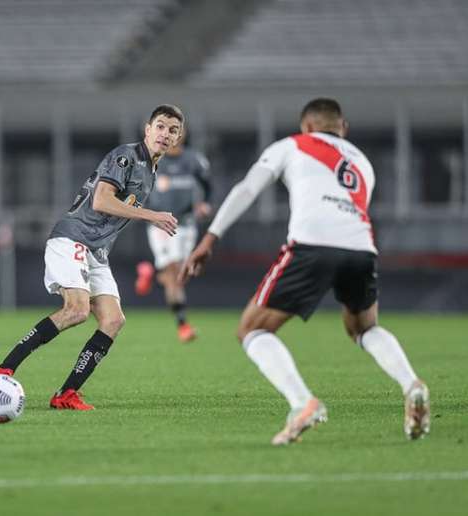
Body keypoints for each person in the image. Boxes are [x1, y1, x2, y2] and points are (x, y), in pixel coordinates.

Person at [180, 98, 430, 445]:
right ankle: (411, 384)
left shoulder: (292, 145)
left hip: (312, 246)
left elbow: (248, 188)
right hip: (362, 248)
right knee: (364, 327)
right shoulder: (362, 162)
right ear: (343, 128)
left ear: (307, 127)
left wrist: (210, 238)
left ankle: (302, 403)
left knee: (251, 329)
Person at [0, 105, 184, 410]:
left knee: (113, 320)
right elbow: (102, 200)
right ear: (147, 129)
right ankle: (4, 368)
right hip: (72, 238)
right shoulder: (127, 156)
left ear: (178, 137)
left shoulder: (152, 170)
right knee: (76, 310)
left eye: (172, 130)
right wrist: (152, 215)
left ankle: (66, 394)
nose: (165, 134)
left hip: (96, 251)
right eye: (160, 126)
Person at [134, 130, 212, 342]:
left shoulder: (195, 159)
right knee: (174, 273)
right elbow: (140, 187)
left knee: (177, 277)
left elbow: (207, 186)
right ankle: (183, 325)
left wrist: (204, 204)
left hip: (186, 223)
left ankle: (151, 272)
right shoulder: (152, 159)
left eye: (177, 129)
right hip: (161, 224)